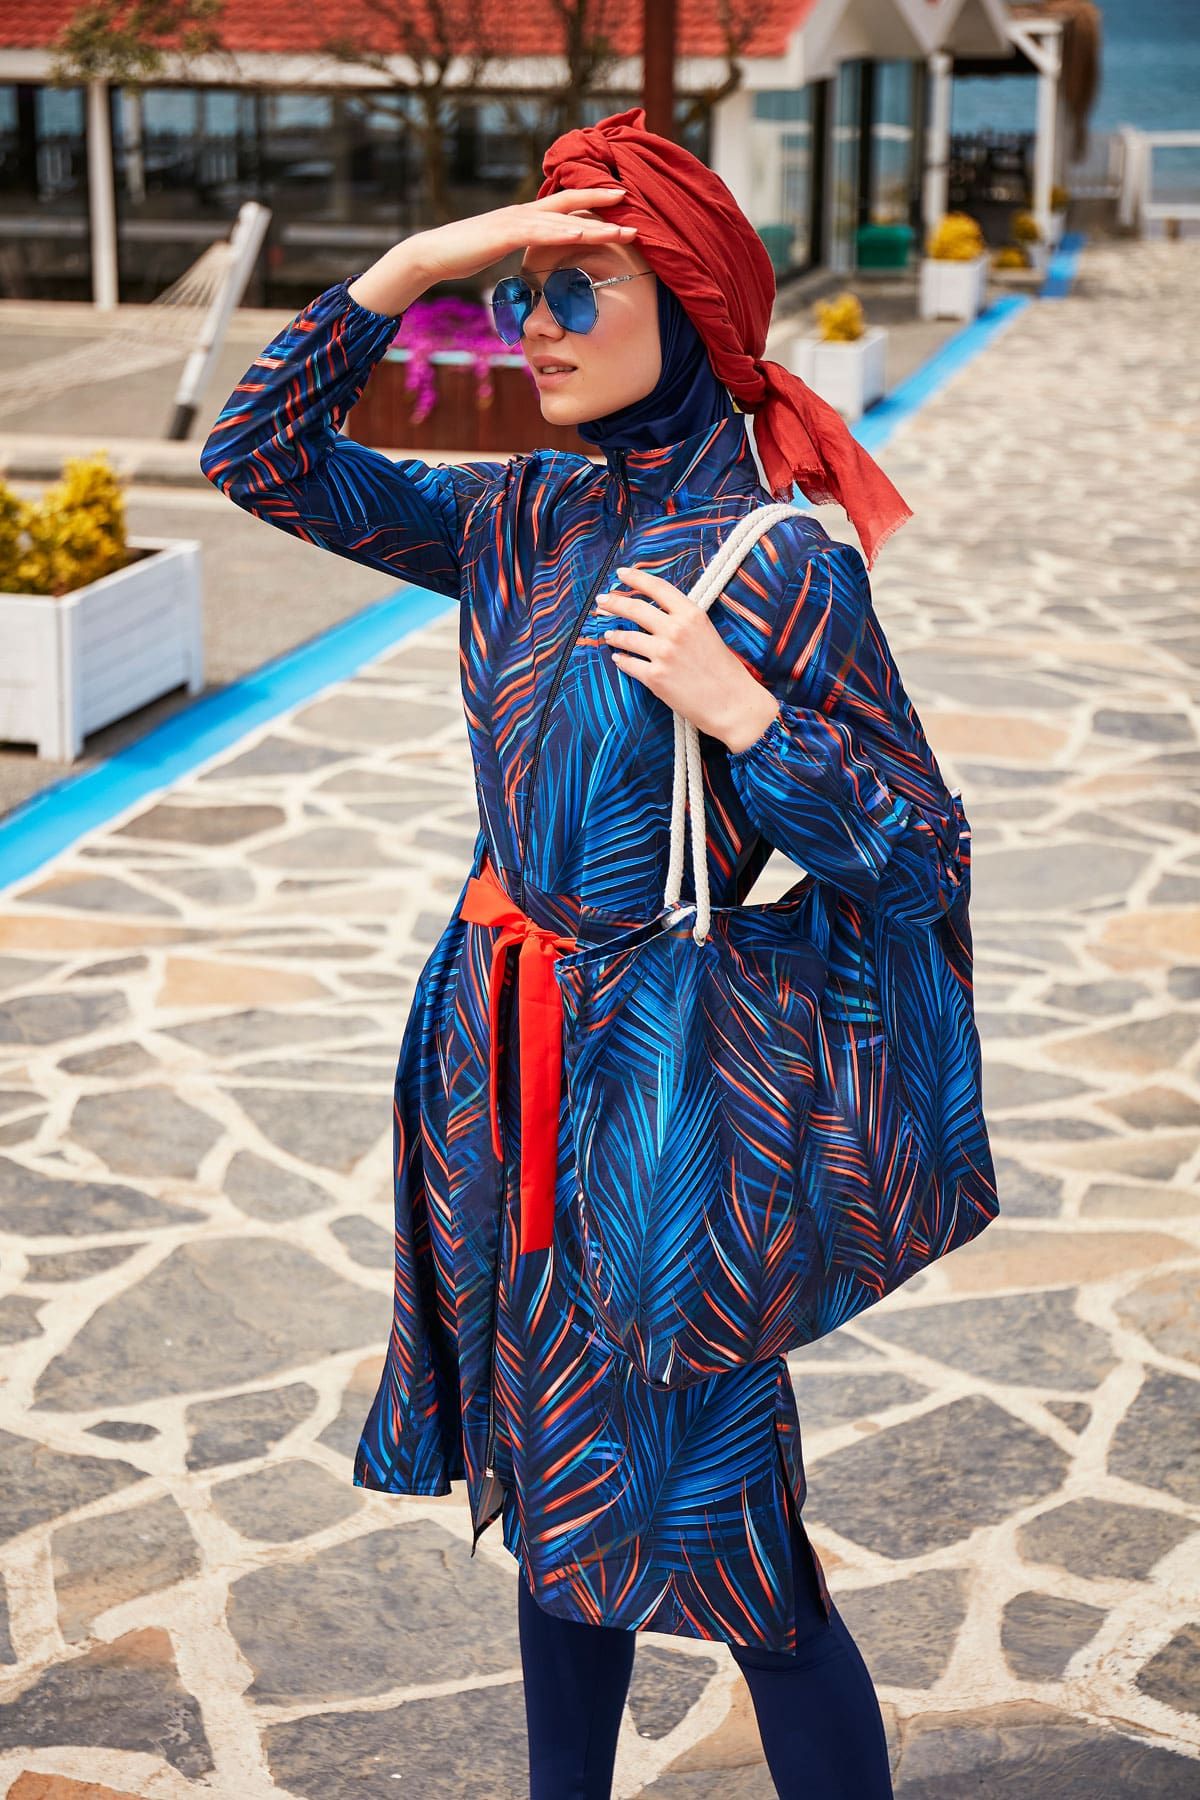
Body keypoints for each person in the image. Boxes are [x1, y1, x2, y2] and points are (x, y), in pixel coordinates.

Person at [200, 105, 976, 1800]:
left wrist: (749, 718)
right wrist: (421, 264)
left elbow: (922, 859)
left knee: (739, 1546)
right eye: (515, 296)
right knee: (558, 1513)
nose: (529, 331)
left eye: (575, 292)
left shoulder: (780, 565)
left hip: (660, 1109)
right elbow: (255, 457)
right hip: (493, 1064)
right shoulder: (519, 513)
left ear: (686, 315)